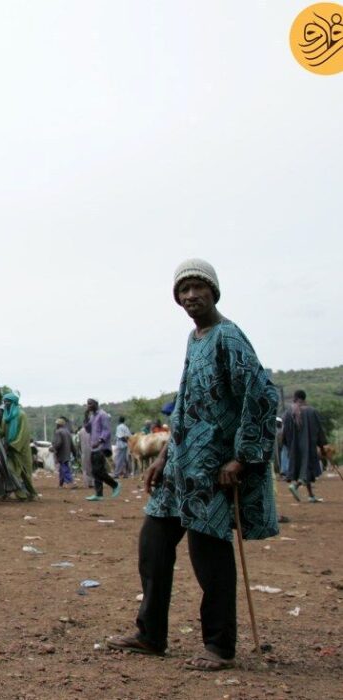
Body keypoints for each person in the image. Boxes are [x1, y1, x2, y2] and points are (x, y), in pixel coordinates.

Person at [106, 258, 279, 672]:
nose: (189, 296)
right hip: (182, 467)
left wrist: (241, 457)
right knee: (154, 544)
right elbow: (184, 404)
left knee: (209, 557)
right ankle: (151, 635)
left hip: (213, 469)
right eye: (182, 291)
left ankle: (219, 647)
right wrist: (163, 457)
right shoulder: (194, 338)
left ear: (214, 290)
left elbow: (262, 398)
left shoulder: (229, 337)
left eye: (197, 287)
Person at [282, 389, 328, 503]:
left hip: (294, 448)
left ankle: (311, 495)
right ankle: (296, 486)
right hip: (308, 447)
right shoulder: (312, 411)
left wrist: (288, 446)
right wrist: (322, 448)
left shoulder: (288, 412)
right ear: (304, 398)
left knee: (304, 469)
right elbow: (319, 431)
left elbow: (284, 432)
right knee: (308, 468)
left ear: (296, 397)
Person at [0, 392, 38, 501]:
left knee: (25, 473)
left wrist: (13, 445)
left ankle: (30, 493)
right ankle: (21, 494)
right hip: (10, 450)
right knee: (12, 471)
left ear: (13, 402)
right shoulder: (5, 416)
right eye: (4, 401)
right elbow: (2, 431)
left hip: (21, 450)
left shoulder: (21, 415)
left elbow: (23, 434)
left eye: (7, 401)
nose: (5, 403)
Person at [84, 398, 120, 501]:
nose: (88, 405)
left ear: (96, 404)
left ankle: (115, 485)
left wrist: (99, 441)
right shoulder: (92, 416)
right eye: (87, 404)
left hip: (101, 447)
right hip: (93, 447)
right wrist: (85, 416)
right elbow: (87, 429)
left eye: (90, 404)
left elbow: (107, 431)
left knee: (98, 470)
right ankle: (99, 494)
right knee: (95, 472)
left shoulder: (103, 415)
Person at [52, 416, 75, 487]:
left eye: (57, 424)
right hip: (67, 453)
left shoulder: (58, 432)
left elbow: (58, 443)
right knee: (62, 468)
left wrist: (53, 448)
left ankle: (71, 482)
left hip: (61, 453)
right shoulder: (67, 432)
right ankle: (61, 483)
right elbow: (72, 444)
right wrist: (74, 453)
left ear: (59, 425)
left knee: (64, 468)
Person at [76, 421, 93, 488]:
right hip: (92, 451)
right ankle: (93, 483)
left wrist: (80, 451)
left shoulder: (80, 431)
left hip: (84, 452)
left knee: (85, 468)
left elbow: (79, 443)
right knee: (92, 467)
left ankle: (87, 483)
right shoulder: (93, 430)